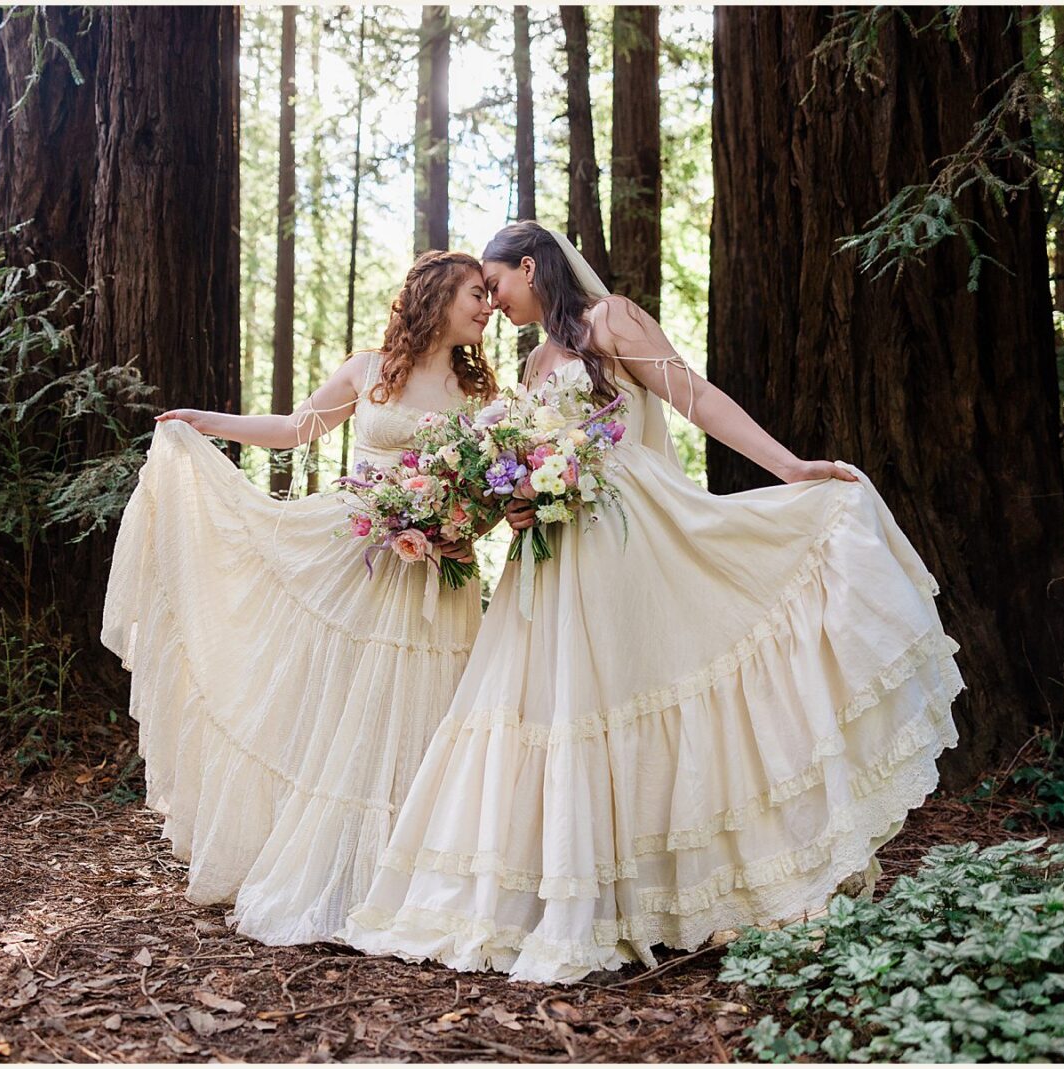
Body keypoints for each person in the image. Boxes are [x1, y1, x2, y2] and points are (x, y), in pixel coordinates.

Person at [343, 222, 964, 982]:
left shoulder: (612, 321)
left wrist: (789, 465)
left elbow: (697, 400)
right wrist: (521, 503)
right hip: (556, 558)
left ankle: (679, 890)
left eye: (496, 284)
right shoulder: (535, 361)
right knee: (555, 707)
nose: (493, 303)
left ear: (530, 268)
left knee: (640, 691)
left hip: (630, 535)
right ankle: (569, 899)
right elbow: (523, 460)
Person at [103, 251, 499, 945]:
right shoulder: (369, 369)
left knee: (428, 711)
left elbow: (493, 486)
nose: (488, 306)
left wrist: (460, 527)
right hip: (356, 559)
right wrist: (207, 422)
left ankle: (418, 875)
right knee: (350, 711)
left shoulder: (482, 395)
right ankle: (340, 866)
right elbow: (295, 429)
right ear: (437, 295)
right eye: (476, 293)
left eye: (490, 296)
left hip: (437, 576)